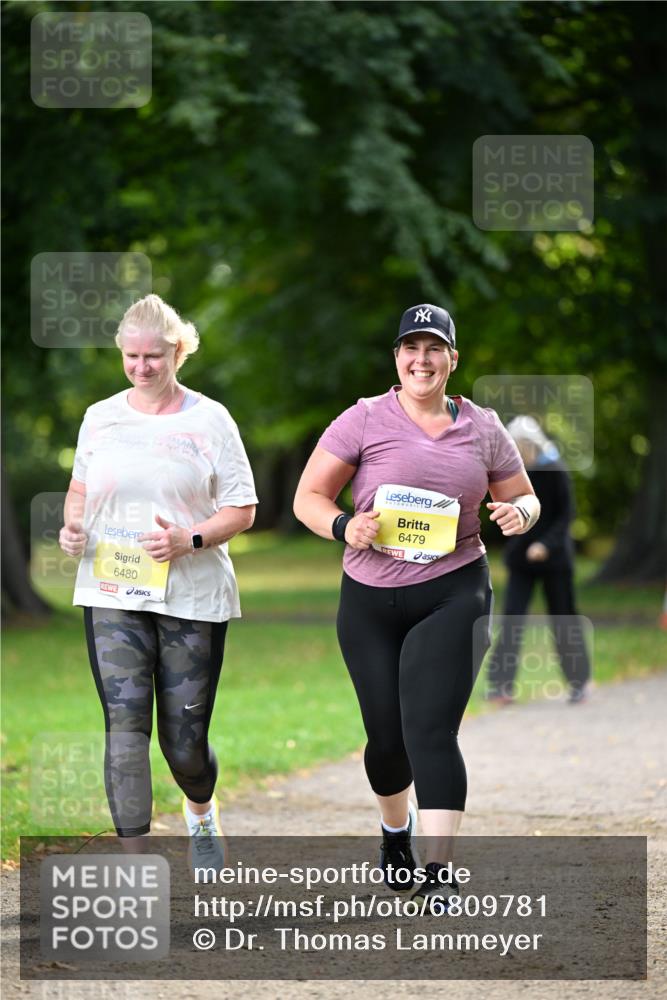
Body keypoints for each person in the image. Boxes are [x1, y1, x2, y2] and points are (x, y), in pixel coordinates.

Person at [293, 303, 540, 912]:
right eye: (412, 348)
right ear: (397, 358)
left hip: (454, 587)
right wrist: (345, 526)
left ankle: (438, 874)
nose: (422, 360)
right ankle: (394, 833)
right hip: (370, 596)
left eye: (435, 349)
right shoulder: (364, 419)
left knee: (430, 729)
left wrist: (518, 514)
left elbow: (527, 499)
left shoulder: (483, 428)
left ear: (452, 360)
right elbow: (309, 497)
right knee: (386, 740)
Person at [58, 294, 257, 873]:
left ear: (178, 351)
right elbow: (79, 492)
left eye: (153, 356)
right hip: (111, 591)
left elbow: (242, 509)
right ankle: (134, 867)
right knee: (125, 726)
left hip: (192, 596)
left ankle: (200, 812)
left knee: (184, 743)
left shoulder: (211, 419)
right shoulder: (101, 416)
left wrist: (188, 539)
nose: (141, 367)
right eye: (131, 356)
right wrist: (73, 527)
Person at [485, 415, 592, 705]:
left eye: (519, 447)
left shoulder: (555, 469)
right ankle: (499, 685)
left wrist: (546, 544)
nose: (516, 453)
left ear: (530, 444)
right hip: (521, 559)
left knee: (563, 618)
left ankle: (578, 682)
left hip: (556, 560)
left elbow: (566, 515)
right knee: (512, 621)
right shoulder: (512, 473)